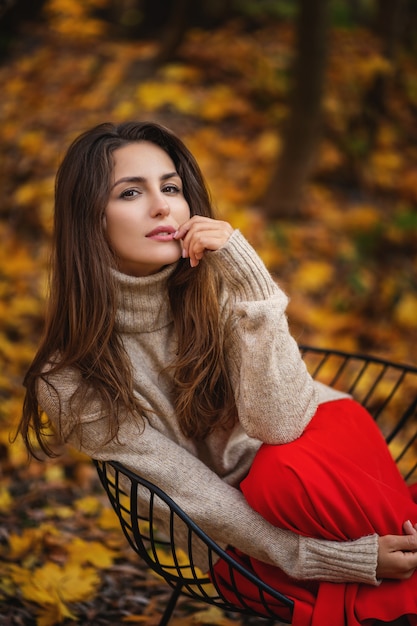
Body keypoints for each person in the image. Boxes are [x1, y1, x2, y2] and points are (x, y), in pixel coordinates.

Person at [17, 121, 417, 626]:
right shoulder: (68, 379)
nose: (162, 206)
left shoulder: (217, 283)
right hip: (242, 532)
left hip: (317, 455)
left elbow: (280, 427)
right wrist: (335, 559)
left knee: (282, 475)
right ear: (88, 219)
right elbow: (189, 495)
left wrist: (252, 284)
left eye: (170, 187)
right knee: (271, 509)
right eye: (130, 192)